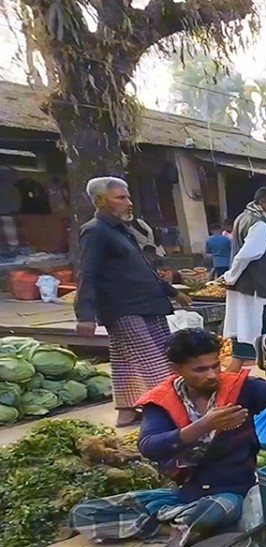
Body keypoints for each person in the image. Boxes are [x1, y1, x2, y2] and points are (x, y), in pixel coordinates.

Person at [70, 329, 266, 547]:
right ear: (176, 369)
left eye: (216, 365)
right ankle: (174, 527)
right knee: (85, 513)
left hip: (232, 492)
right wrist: (203, 425)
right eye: (200, 369)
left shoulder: (240, 388)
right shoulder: (162, 400)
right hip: (186, 493)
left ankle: (177, 523)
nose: (212, 375)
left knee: (215, 510)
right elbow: (149, 446)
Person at [75, 178, 189, 427]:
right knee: (155, 363)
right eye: (120, 198)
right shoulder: (95, 231)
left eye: (128, 197)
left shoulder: (122, 230)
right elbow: (87, 273)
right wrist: (84, 314)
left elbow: (143, 269)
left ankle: (127, 412)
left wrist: (172, 292)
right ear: (100, 201)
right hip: (123, 308)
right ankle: (176, 413)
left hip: (148, 304)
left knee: (126, 361)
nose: (129, 203)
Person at [224, 187, 266, 373]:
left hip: (251, 288)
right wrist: (230, 276)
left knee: (244, 345)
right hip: (261, 292)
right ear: (262, 203)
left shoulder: (243, 218)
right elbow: (247, 254)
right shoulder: (261, 225)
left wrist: (233, 277)